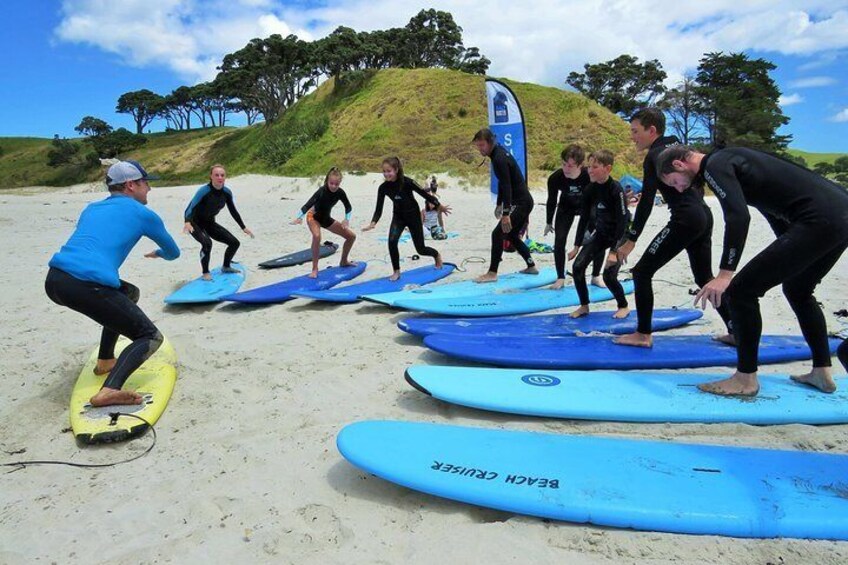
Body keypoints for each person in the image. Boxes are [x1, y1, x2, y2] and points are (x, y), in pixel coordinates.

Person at [657, 145, 848, 397]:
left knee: (740, 292)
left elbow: (738, 217)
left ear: (680, 165)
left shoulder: (714, 165)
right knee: (798, 289)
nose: (680, 189)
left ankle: (745, 379)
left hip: (819, 219)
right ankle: (821, 372)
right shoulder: (735, 158)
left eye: (675, 182)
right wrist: (789, 249)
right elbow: (773, 209)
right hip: (839, 215)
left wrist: (725, 274)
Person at [45, 161, 180, 407]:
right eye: (145, 182)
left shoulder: (91, 208)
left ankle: (105, 360)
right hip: (86, 284)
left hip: (55, 279)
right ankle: (109, 390)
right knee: (149, 336)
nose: (149, 188)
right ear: (130, 185)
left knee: (128, 292)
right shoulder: (144, 215)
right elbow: (174, 252)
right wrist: (159, 253)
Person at [614, 107, 733, 348]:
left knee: (641, 273)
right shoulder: (680, 147)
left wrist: (631, 239)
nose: (632, 137)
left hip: (685, 219)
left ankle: (643, 334)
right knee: (703, 277)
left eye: (635, 131)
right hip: (704, 215)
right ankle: (736, 329)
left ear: (652, 130)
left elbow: (646, 200)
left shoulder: (654, 155)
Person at [362, 157, 452, 281]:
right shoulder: (383, 188)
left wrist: (439, 205)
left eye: (389, 171)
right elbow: (378, 208)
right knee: (392, 242)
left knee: (420, 249)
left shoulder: (407, 182)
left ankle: (436, 255)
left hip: (413, 216)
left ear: (396, 170)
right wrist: (373, 223)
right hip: (398, 216)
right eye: (384, 171)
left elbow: (425, 194)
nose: (386, 174)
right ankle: (396, 271)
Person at [567, 150, 630, 319]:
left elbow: (623, 222)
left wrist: (614, 251)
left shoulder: (616, 189)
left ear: (607, 168)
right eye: (589, 167)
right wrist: (576, 246)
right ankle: (584, 306)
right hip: (602, 233)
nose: (590, 170)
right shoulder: (590, 189)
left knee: (609, 275)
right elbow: (584, 219)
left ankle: (623, 305)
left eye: (595, 167)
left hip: (620, 234)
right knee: (578, 267)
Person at [471, 128, 538, 282]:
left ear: (490, 143)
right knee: (512, 235)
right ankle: (531, 266)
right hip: (523, 201)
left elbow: (507, 185)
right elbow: (503, 182)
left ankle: (492, 273)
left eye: (481, 145)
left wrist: (506, 214)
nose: (479, 149)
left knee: (497, 234)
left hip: (521, 203)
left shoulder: (499, 158)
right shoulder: (498, 153)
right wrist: (500, 204)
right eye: (478, 146)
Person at [544, 144, 605, 290]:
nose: (566, 169)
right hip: (566, 207)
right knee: (559, 240)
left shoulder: (589, 176)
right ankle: (560, 278)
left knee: (599, 238)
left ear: (580, 165)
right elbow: (551, 200)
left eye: (571, 166)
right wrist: (548, 221)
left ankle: (596, 276)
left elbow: (601, 196)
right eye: (564, 164)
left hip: (587, 207)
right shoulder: (555, 178)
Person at [183, 164, 253, 280]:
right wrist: (187, 221)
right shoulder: (204, 191)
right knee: (207, 243)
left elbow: (233, 211)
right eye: (216, 175)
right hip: (194, 223)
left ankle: (226, 266)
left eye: (222, 175)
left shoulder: (226, 193)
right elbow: (190, 208)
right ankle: (205, 272)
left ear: (225, 177)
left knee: (234, 243)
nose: (220, 177)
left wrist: (243, 227)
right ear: (211, 176)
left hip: (209, 223)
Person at [291, 167, 357, 277]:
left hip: (326, 219)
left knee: (351, 237)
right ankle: (315, 269)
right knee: (317, 236)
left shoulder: (340, 192)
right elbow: (308, 204)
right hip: (313, 217)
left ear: (340, 183)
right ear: (327, 181)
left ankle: (344, 261)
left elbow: (348, 207)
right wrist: (299, 217)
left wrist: (346, 219)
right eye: (331, 183)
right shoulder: (321, 191)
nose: (334, 186)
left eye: (337, 184)